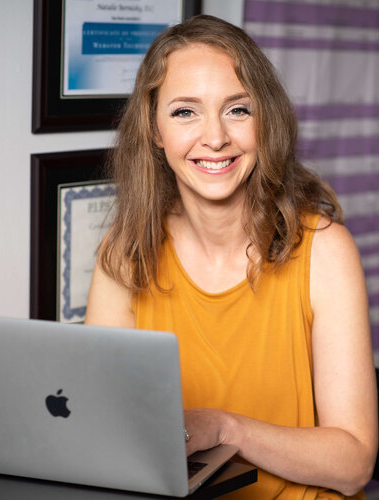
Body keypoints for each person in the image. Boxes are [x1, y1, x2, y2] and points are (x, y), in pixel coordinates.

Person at [85, 15, 377, 499]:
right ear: (155, 130)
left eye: (238, 110)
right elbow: (101, 420)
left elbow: (353, 465)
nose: (215, 137)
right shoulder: (126, 250)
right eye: (185, 112)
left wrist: (226, 428)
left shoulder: (325, 250)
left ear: (265, 119)